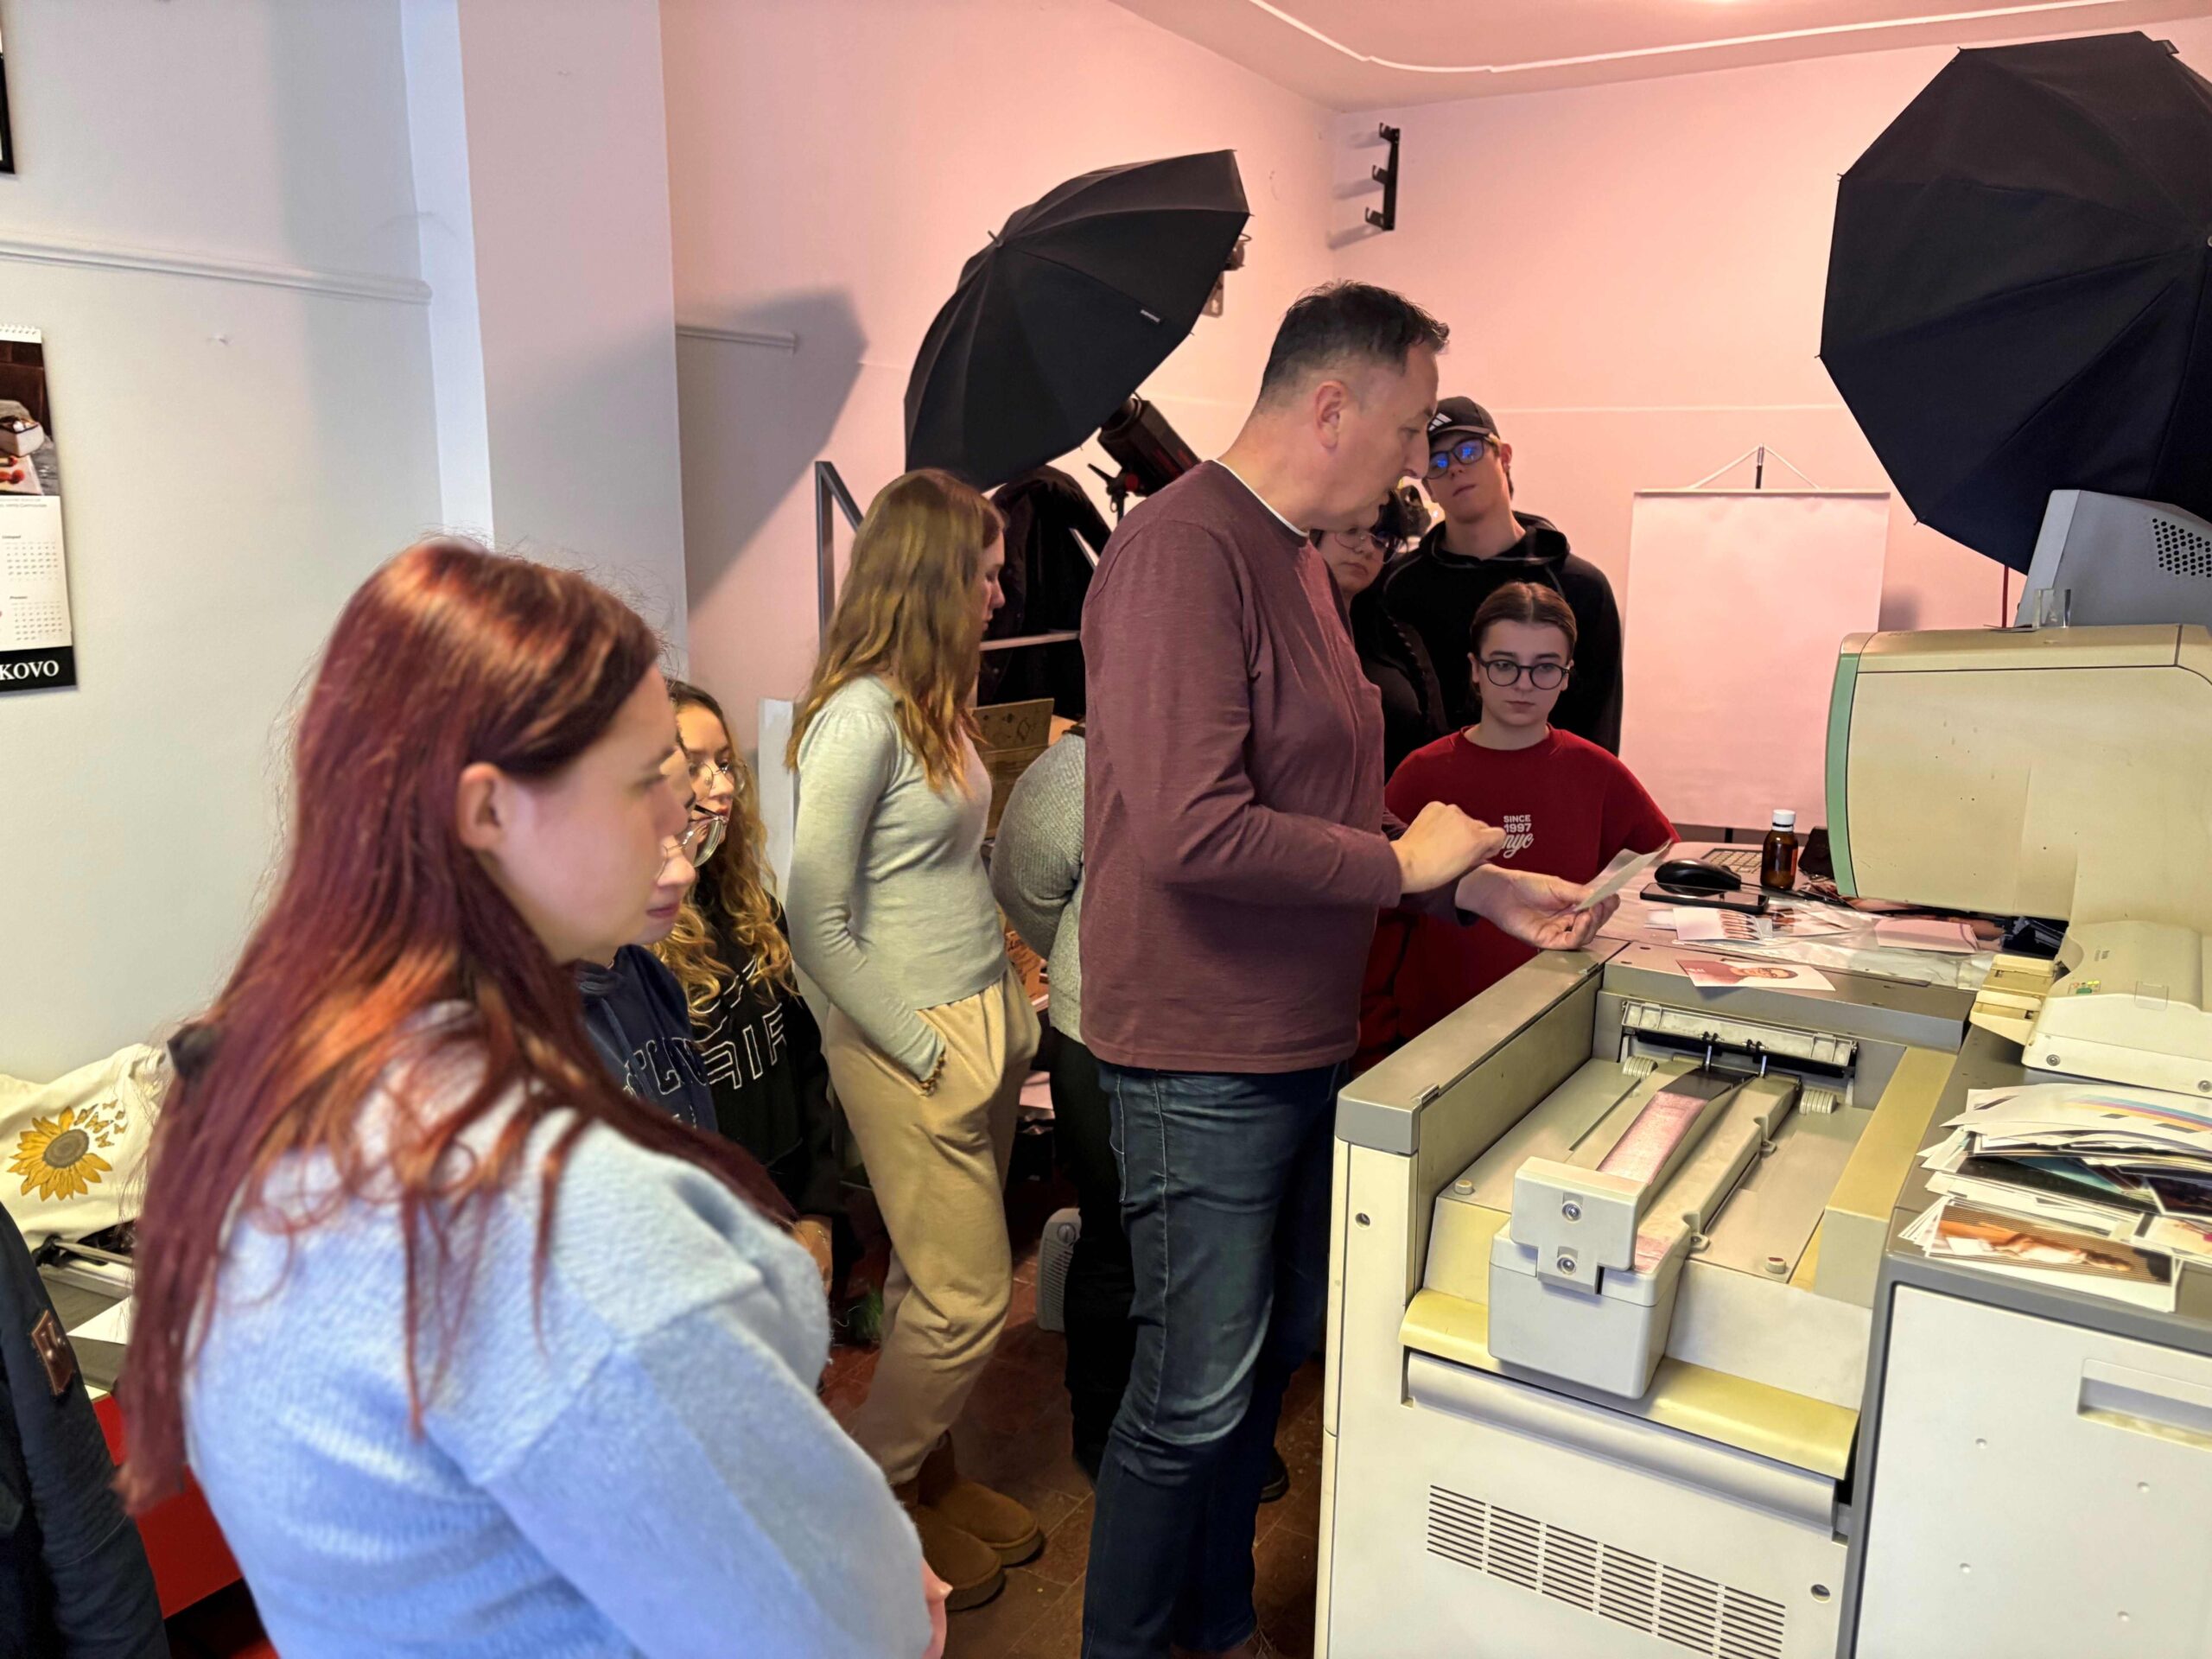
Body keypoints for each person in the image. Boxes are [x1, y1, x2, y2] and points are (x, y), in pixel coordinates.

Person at [119, 540, 944, 1658]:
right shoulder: (542, 1218)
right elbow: (831, 1626)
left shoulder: (285, 1067)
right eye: (645, 775)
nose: (682, 808)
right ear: (489, 812)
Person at [1079, 281, 1616, 1659]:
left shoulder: (1297, 564)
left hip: (1301, 1032)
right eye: (1409, 423)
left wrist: (1471, 884)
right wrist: (1401, 867)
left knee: (1266, 1368)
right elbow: (1193, 830)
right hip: (1201, 1045)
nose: (1417, 463)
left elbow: (1324, 805)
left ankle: (1213, 1624)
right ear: (1332, 406)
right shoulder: (1181, 552)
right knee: (1190, 1396)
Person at [785, 468, 1044, 1613]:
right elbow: (814, 924)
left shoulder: (933, 703)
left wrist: (1006, 1009)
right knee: (965, 1296)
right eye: (985, 574)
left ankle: (929, 1488)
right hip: (909, 1043)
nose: (1000, 593)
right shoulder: (857, 719)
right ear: (933, 575)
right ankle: (858, 1505)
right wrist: (922, 1048)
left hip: (979, 1019)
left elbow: (944, 875)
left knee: (922, 1284)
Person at [1364, 582, 1675, 1060]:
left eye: (1545, 667)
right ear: (1475, 669)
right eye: (1505, 665)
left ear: (1567, 676)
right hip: (1431, 1038)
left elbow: (1658, 863)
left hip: (1560, 1031)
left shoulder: (1597, 772)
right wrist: (1372, 1044)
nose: (1524, 684)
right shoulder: (1421, 774)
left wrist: (1604, 914)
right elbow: (1379, 920)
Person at [656, 677, 844, 1292]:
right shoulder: (633, 949)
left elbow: (803, 1065)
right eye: (694, 767)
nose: (723, 785)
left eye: (725, 763)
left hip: (784, 1206)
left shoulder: (751, 910)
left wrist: (817, 1213)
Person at [1376, 396, 1626, 751]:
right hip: (1428, 783)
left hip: (1549, 781)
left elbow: (1599, 728)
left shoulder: (1580, 587)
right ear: (1428, 487)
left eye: (1468, 451)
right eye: (1437, 462)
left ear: (1504, 457)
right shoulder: (1395, 587)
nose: (1455, 468)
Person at [576, 810, 726, 1132]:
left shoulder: (650, 975)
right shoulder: (508, 1039)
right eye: (637, 835)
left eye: (683, 826)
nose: (684, 872)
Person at [1311, 483, 1446, 772]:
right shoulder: (1273, 626)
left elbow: (1437, 745)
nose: (1367, 548)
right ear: (1316, 528)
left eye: (1382, 539)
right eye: (1351, 530)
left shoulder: (1399, 638)